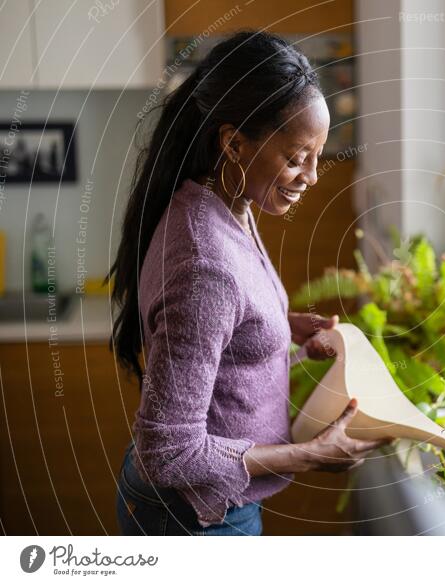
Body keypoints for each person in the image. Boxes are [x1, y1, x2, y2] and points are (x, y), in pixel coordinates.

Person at [109, 31, 389, 536]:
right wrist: (309, 455)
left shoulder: (221, 205)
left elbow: (220, 321)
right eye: (297, 156)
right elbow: (168, 453)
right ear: (234, 143)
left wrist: (277, 328)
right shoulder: (204, 263)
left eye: (317, 156)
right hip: (193, 517)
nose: (312, 175)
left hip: (207, 504)